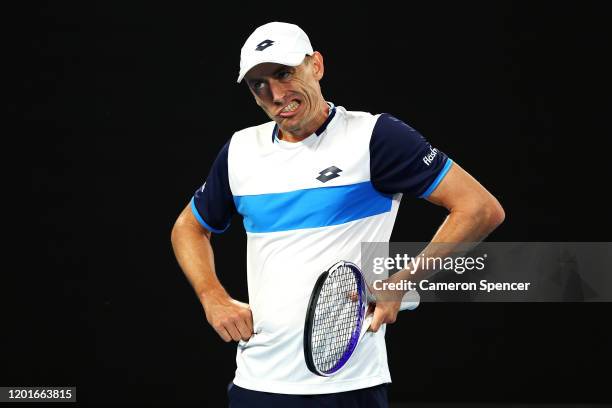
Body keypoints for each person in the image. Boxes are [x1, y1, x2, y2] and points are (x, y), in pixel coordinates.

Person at [171, 21, 504, 408]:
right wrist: (213, 296)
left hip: (350, 386)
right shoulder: (240, 151)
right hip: (257, 384)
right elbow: (188, 228)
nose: (276, 94)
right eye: (258, 84)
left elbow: (480, 208)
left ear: (316, 65)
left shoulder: (375, 137)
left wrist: (405, 280)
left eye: (284, 73)